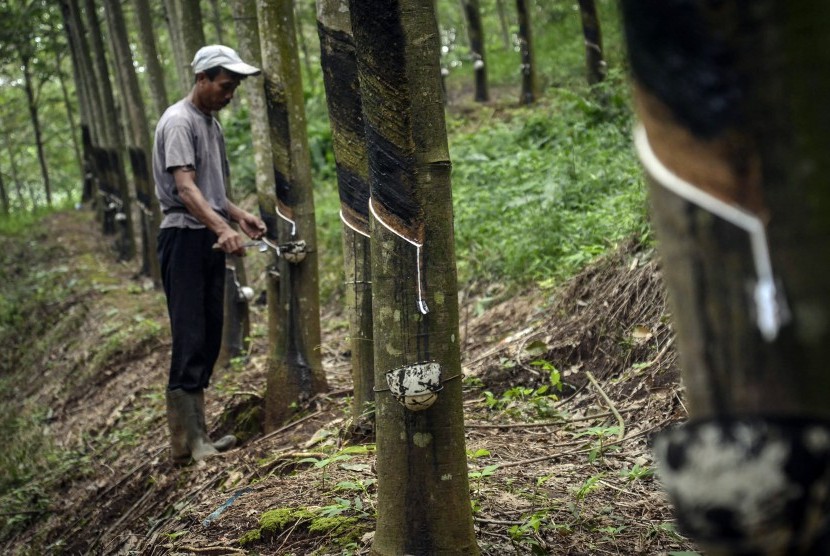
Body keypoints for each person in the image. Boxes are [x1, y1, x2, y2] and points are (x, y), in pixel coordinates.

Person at [153, 44, 267, 464]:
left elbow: (211, 193)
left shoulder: (210, 124)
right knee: (190, 332)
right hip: (184, 239)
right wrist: (221, 227)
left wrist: (238, 218)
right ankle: (188, 443)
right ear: (202, 79)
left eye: (234, 86)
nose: (230, 93)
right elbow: (185, 189)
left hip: (207, 237)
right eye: (225, 85)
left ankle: (195, 437)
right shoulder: (180, 122)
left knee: (208, 331)